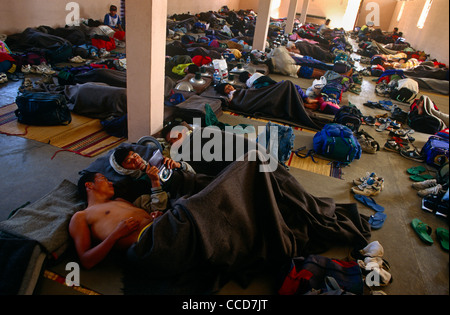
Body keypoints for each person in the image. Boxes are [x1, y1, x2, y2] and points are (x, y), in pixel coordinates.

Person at [69, 172, 162, 269]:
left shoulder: (119, 201)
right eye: (104, 179)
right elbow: (86, 261)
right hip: (148, 242)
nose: (111, 183)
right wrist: (116, 234)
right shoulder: (81, 216)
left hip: (160, 225)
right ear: (89, 185)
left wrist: (154, 217)